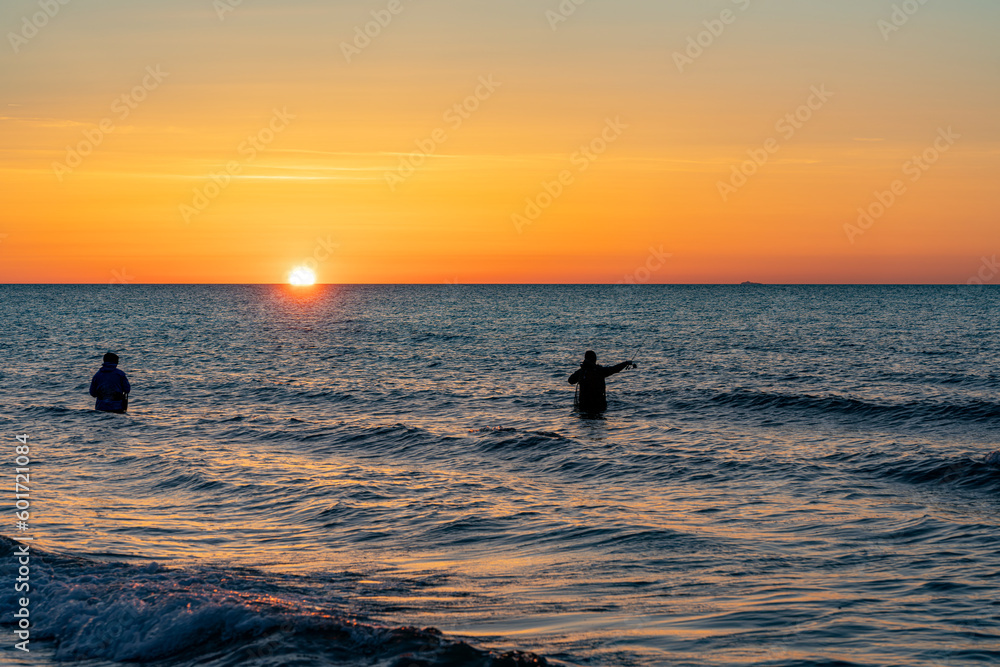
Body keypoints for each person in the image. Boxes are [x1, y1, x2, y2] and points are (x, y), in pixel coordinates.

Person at [568, 350, 635, 413]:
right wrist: (625, 363)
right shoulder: (599, 371)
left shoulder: (581, 372)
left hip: (583, 405)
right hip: (598, 404)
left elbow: (570, 380)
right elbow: (614, 369)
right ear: (594, 359)